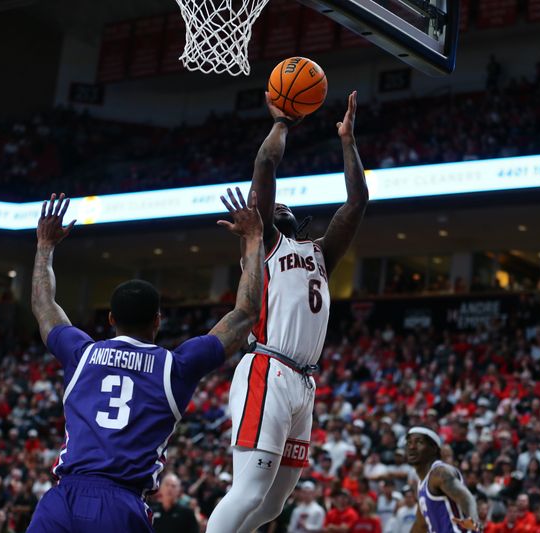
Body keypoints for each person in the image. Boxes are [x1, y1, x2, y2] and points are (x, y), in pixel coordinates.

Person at [26, 190, 265, 532]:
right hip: (119, 505)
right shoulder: (176, 367)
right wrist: (254, 238)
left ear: (110, 319)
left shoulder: (81, 353)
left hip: (61, 501)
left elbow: (43, 304)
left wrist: (45, 246)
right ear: (157, 321)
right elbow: (245, 314)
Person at [207, 90, 369, 533]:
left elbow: (356, 204)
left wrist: (348, 142)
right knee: (249, 490)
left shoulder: (319, 253)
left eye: (282, 207)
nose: (275, 205)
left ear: (296, 219)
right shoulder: (263, 244)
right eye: (270, 206)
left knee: (274, 504)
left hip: (304, 380)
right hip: (269, 366)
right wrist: (282, 123)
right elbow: (265, 166)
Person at [406, 427, 481, 532]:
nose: (412, 447)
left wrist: (475, 525)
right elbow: (420, 525)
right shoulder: (421, 484)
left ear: (434, 449)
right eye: (409, 443)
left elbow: (467, 498)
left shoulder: (440, 472)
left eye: (419, 442)